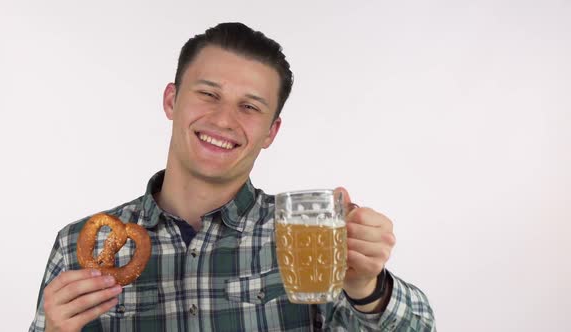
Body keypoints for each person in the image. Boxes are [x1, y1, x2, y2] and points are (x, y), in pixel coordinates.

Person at [29, 22, 436, 332]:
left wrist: (368, 288)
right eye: (208, 94)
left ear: (270, 132)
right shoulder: (77, 245)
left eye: (249, 107)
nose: (223, 120)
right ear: (172, 100)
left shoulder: (313, 239)